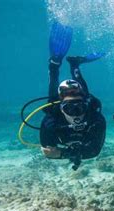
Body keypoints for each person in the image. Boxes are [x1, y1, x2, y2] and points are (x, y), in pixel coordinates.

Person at [40, 22, 106, 170]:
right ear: (62, 108)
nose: (76, 113)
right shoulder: (51, 119)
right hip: (60, 105)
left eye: (79, 107)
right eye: (70, 108)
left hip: (81, 104)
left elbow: (95, 151)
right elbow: (48, 152)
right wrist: (69, 153)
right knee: (55, 99)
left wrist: (63, 153)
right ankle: (70, 65)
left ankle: (56, 64)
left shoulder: (95, 119)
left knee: (83, 95)